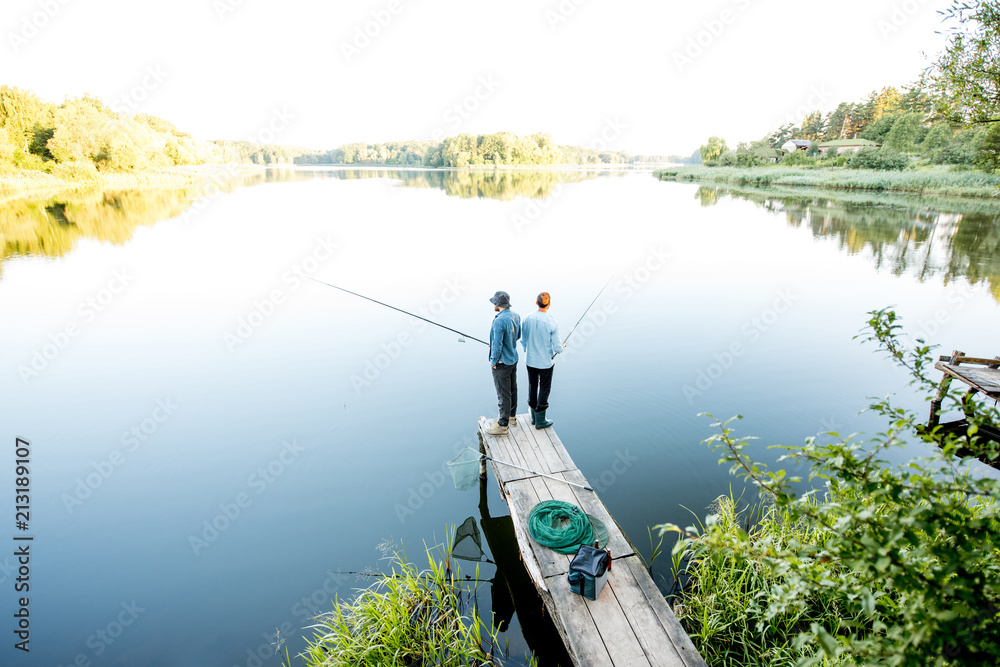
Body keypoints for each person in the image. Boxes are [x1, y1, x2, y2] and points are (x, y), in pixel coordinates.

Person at [520, 292, 562, 429]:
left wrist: (527, 350)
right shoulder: (552, 322)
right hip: (545, 363)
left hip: (530, 360)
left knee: (533, 385)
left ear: (536, 303)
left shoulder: (526, 318)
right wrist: (561, 348)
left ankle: (533, 417)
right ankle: (541, 420)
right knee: (544, 388)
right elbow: (557, 347)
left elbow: (523, 340)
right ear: (549, 304)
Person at [486, 291, 520, 436]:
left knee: (502, 393)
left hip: (502, 362)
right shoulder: (515, 315)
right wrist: (495, 343)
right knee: (512, 388)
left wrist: (494, 361)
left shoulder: (499, 320)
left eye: (494, 302)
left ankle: (503, 425)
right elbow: (517, 336)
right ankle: (512, 417)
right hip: (513, 358)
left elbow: (498, 345)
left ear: (498, 304)